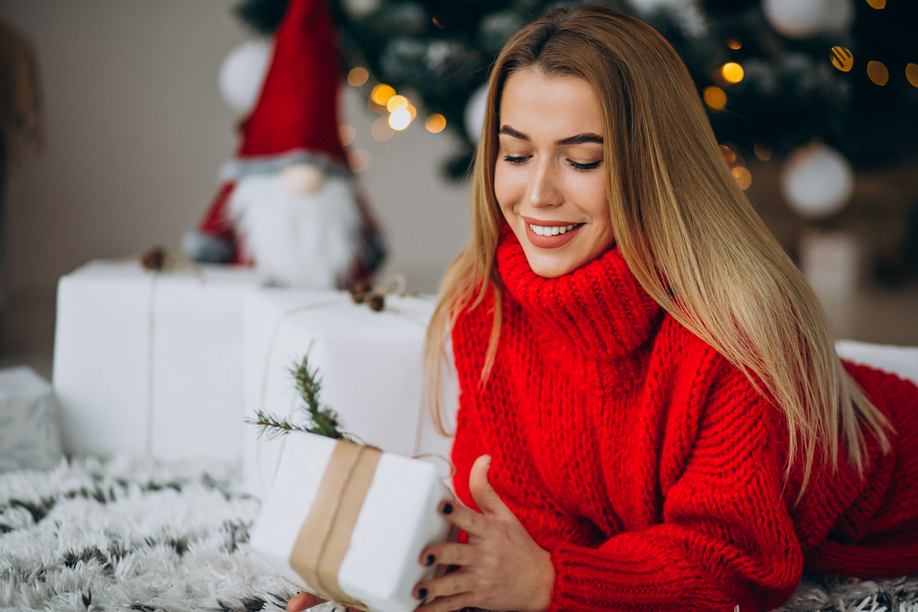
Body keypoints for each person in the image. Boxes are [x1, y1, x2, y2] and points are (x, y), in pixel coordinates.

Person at [289, 5, 918, 612]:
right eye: (515, 153)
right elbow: (518, 517)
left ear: (653, 169)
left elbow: (732, 562)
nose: (537, 194)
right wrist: (402, 566)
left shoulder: (738, 327)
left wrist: (549, 582)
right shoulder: (490, 305)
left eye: (581, 159)